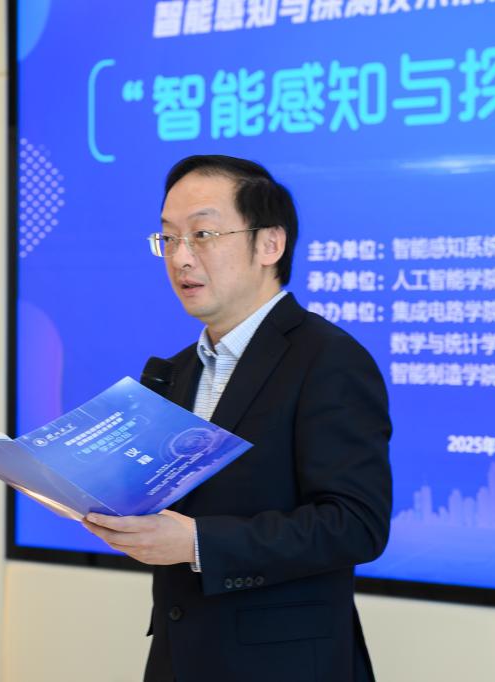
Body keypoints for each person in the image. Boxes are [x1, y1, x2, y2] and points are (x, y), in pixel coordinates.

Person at [83, 155, 392, 682]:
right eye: (169, 238)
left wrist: (197, 543)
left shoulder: (328, 359)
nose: (181, 257)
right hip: (180, 658)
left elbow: (355, 524)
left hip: (285, 667)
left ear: (270, 244)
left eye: (202, 235)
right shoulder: (177, 370)